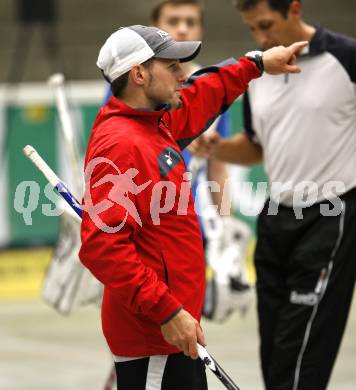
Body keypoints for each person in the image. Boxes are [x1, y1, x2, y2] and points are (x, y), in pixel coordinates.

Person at [79, 23, 306, 390]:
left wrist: (258, 64)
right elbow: (102, 247)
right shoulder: (122, 144)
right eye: (171, 67)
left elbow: (203, 93)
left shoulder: (155, 124)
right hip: (154, 339)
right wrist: (166, 312)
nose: (183, 74)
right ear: (138, 74)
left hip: (170, 334)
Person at [190, 1, 356, 389]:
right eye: (252, 29)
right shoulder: (259, 72)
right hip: (276, 218)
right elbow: (257, 147)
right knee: (275, 352)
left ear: (294, 9)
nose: (262, 38)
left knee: (302, 353)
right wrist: (215, 146)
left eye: (266, 25)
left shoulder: (346, 58)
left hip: (330, 218)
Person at [151, 0, 254, 322]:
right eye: (173, 20)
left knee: (185, 327)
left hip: (186, 228)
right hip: (142, 222)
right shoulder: (131, 82)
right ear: (154, 27)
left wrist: (224, 224)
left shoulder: (208, 89)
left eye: (190, 22)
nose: (182, 28)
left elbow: (217, 168)